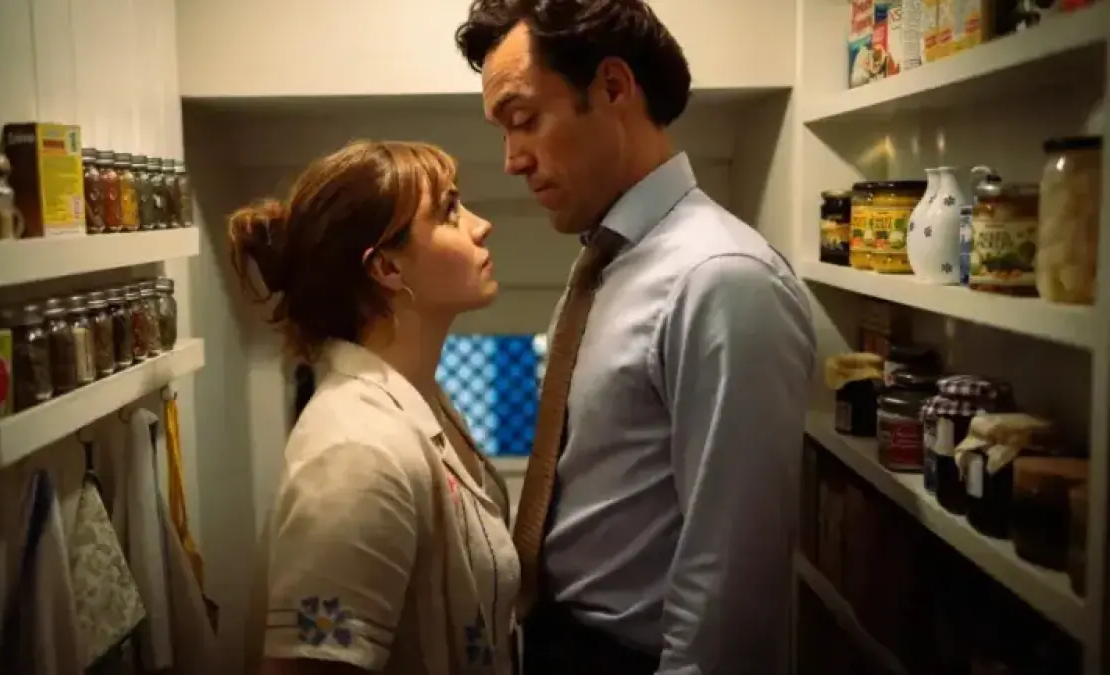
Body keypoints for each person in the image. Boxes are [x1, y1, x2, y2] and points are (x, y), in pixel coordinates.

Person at [455, 2, 817, 674]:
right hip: (559, 638)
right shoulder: (609, 260)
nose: (511, 161)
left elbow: (730, 581)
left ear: (613, 87)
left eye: (525, 120)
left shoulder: (720, 278)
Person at [231, 140, 519, 675]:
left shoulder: (421, 403)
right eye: (450, 212)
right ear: (387, 266)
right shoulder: (358, 453)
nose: (481, 226)